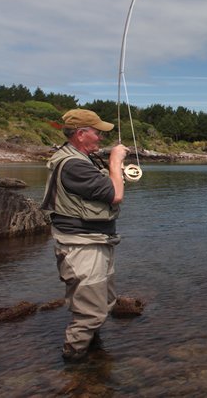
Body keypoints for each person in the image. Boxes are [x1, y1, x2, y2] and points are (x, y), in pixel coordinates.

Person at [41, 108, 129, 362]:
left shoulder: (81, 159)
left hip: (96, 241)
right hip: (81, 245)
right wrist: (115, 161)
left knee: (105, 302)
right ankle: (75, 367)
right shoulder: (73, 166)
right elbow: (116, 194)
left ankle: (94, 355)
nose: (101, 137)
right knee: (90, 312)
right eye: (97, 132)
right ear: (81, 134)